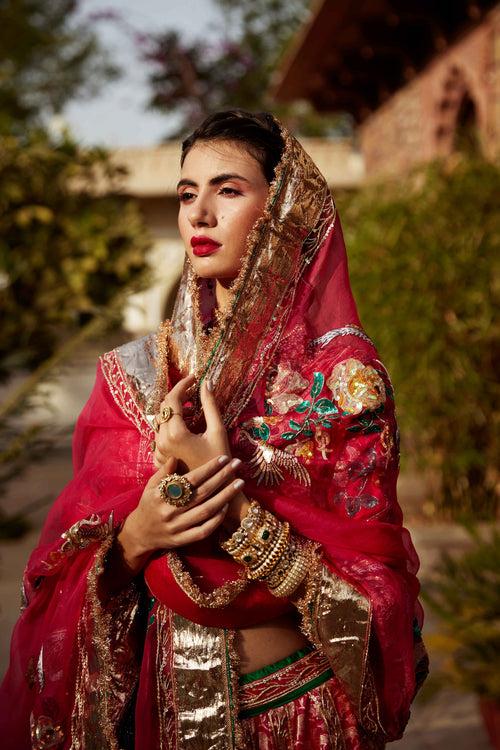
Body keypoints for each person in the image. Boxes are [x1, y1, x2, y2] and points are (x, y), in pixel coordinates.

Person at [0, 110, 428, 749]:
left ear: (285, 210)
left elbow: (373, 605)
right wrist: (133, 542)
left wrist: (223, 502)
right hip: (160, 716)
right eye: (186, 193)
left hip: (296, 716)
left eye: (228, 190)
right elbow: (59, 574)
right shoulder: (137, 374)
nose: (199, 214)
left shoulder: (343, 382)